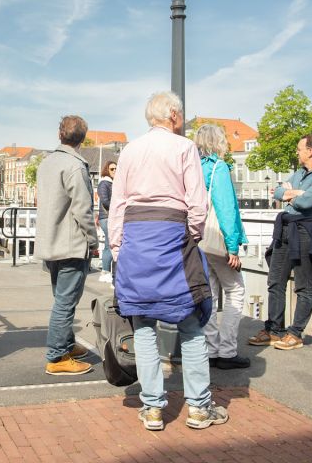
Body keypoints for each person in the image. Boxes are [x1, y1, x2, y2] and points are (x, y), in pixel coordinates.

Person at [110, 91, 227, 432]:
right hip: (173, 234)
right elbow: (197, 201)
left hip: (135, 236)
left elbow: (117, 203)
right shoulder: (183, 147)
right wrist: (189, 236)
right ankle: (199, 408)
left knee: (144, 324)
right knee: (190, 322)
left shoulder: (130, 150)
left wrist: (119, 248)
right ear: (174, 116)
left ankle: (152, 409)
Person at [249, 134, 312, 351]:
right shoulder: (300, 173)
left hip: (307, 230)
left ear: (310, 151)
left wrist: (291, 194)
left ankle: (295, 333)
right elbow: (277, 191)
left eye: (299, 149)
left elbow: (307, 202)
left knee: (303, 284)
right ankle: (273, 329)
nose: (297, 153)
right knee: (275, 280)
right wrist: (295, 193)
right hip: (286, 229)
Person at [35, 115, 99, 376]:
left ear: (60, 135)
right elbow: (83, 209)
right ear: (82, 138)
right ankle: (57, 356)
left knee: (60, 297)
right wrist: (93, 240)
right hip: (71, 243)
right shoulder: (75, 166)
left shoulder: (47, 163)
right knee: (66, 301)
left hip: (51, 242)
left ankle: (67, 344)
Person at [195, 124, 250, 370]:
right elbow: (226, 209)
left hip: (199, 240)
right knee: (235, 290)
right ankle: (227, 351)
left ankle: (210, 348)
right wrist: (233, 247)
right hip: (217, 240)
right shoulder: (219, 168)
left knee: (210, 292)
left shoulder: (195, 167)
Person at [96, 160, 116, 283]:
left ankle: (107, 271)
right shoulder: (104, 183)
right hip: (106, 217)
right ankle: (105, 271)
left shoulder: (112, 183)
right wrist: (117, 207)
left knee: (110, 243)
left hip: (110, 217)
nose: (115, 171)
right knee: (110, 244)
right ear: (106, 170)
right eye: (112, 169)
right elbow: (104, 200)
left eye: (116, 169)